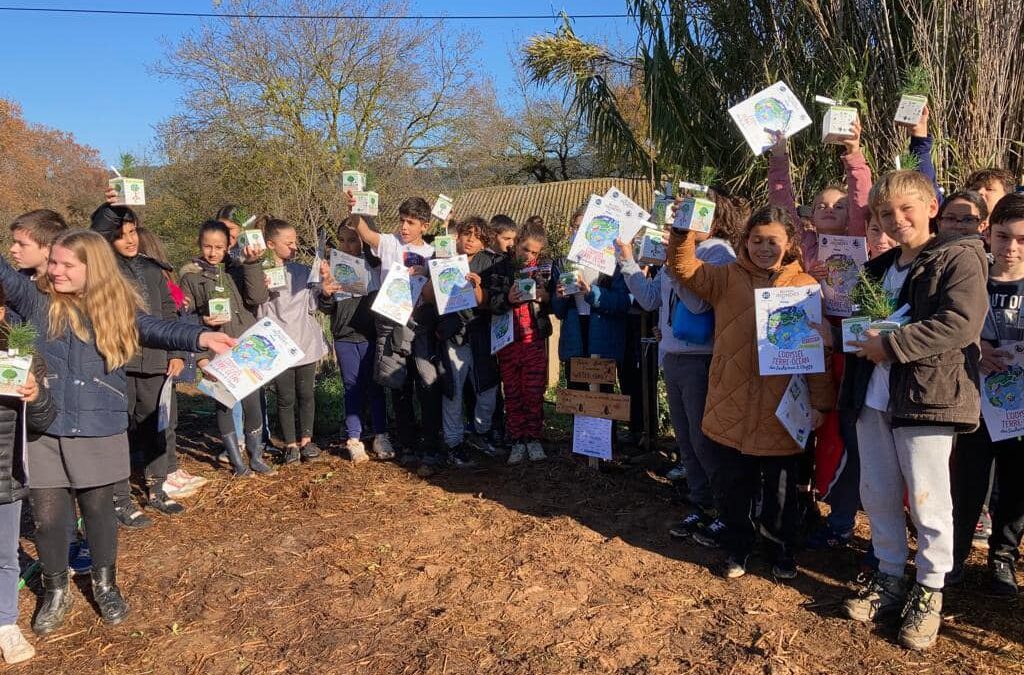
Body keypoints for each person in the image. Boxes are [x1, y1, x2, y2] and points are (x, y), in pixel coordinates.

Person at [0, 227, 231, 634]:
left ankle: (105, 584)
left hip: (99, 424)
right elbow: (5, 274)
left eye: (66, 265)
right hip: (45, 425)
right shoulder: (36, 301)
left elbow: (159, 328)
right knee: (50, 521)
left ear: (94, 269)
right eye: (52, 262)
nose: (55, 271)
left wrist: (201, 335)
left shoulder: (116, 307)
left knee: (99, 511)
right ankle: (56, 589)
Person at [840, 170, 987, 651]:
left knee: (927, 498)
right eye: (885, 212)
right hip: (875, 395)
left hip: (926, 395)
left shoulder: (957, 258)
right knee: (878, 491)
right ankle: (887, 575)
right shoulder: (879, 268)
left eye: (906, 208)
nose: (896, 219)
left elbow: (961, 322)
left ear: (931, 207)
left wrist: (892, 345)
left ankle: (929, 589)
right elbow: (862, 325)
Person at [668, 205, 835, 581]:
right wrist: (682, 231)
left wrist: (821, 402)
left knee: (780, 494)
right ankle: (737, 549)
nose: (763, 248)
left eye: (772, 241)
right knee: (732, 491)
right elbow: (683, 269)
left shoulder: (805, 286)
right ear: (745, 241)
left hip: (781, 411)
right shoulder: (726, 278)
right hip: (733, 406)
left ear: (789, 243)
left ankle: (781, 551)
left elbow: (818, 352)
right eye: (756, 240)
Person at [617, 190, 742, 545]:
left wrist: (678, 263)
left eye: (689, 214)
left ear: (713, 217)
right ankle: (702, 505)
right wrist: (627, 260)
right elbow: (651, 298)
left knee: (706, 442)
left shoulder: (718, 252)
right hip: (673, 356)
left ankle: (725, 511)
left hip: (701, 359)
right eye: (680, 214)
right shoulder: (679, 253)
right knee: (687, 442)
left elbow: (702, 306)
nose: (681, 221)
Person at [91, 192, 188, 525]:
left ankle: (156, 487)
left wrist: (176, 353)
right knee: (119, 430)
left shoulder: (152, 269)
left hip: (156, 363)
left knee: (156, 427)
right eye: (120, 234)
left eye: (132, 232)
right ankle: (120, 499)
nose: (129, 240)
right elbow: (95, 233)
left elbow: (169, 313)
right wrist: (111, 209)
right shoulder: (104, 270)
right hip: (120, 362)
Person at [948, 193, 1024, 597]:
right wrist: (974, 346)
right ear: (987, 234)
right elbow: (946, 323)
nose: (1011, 247)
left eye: (1022, 239)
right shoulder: (971, 276)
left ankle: (1002, 558)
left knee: (1015, 487)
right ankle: (955, 556)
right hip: (973, 402)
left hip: (1019, 409)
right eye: (1003, 236)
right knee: (967, 485)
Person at [344, 194, 443, 470]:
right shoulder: (389, 243)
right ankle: (408, 445)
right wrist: (354, 211)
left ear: (424, 225)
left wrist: (429, 273)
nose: (404, 227)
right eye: (402, 221)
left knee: (427, 382)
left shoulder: (434, 252)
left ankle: (431, 445)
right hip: (389, 322)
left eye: (411, 222)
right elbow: (363, 231)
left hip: (422, 323)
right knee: (397, 384)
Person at [179, 220, 272, 477]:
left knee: (253, 404)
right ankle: (236, 460)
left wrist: (252, 264)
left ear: (228, 245)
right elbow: (184, 318)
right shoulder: (190, 276)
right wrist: (202, 330)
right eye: (207, 246)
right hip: (216, 349)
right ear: (199, 245)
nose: (212, 252)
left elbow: (257, 298)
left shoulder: (239, 270)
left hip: (246, 347)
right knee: (225, 405)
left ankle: (255, 456)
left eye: (218, 246)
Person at [0, 294, 56, 664]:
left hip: (4, 475)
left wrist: (36, 397)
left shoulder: (21, 358)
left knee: (4, 555)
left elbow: (44, 420)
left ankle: (6, 624)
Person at [135, 227, 208, 499]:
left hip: (166, 354)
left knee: (169, 415)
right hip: (155, 356)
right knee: (160, 417)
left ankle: (171, 466)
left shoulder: (161, 277)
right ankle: (163, 473)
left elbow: (172, 312)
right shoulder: (145, 280)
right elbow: (160, 321)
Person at [433, 217, 508, 466]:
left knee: (488, 389)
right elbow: (431, 296)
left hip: (481, 332)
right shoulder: (444, 258)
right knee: (452, 390)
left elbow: (493, 301)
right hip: (453, 334)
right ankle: (453, 443)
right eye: (466, 234)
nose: (470, 239)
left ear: (484, 239)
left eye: (476, 236)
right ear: (458, 236)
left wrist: (477, 288)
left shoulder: (489, 263)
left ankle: (480, 432)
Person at [257, 218, 329, 463]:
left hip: (305, 343)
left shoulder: (301, 271)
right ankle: (290, 444)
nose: (294, 247)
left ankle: (307, 440)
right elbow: (259, 310)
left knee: (306, 394)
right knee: (285, 397)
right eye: (288, 243)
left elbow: (311, 305)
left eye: (295, 242)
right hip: (278, 345)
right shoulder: (260, 276)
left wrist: (322, 285)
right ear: (270, 244)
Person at [318, 226, 390, 461]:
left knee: (375, 386)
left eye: (352, 240)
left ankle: (381, 434)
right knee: (351, 387)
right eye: (343, 240)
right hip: (345, 337)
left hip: (370, 335)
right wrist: (326, 294)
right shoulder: (333, 267)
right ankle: (354, 438)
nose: (347, 245)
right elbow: (327, 308)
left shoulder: (375, 266)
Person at [496, 229, 552, 464]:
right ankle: (518, 440)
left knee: (533, 391)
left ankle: (534, 438)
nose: (529, 255)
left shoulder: (544, 271)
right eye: (525, 249)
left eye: (534, 252)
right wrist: (506, 299)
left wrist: (545, 297)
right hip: (507, 341)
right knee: (513, 392)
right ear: (516, 245)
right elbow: (490, 301)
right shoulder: (500, 268)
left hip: (534, 340)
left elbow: (555, 302)